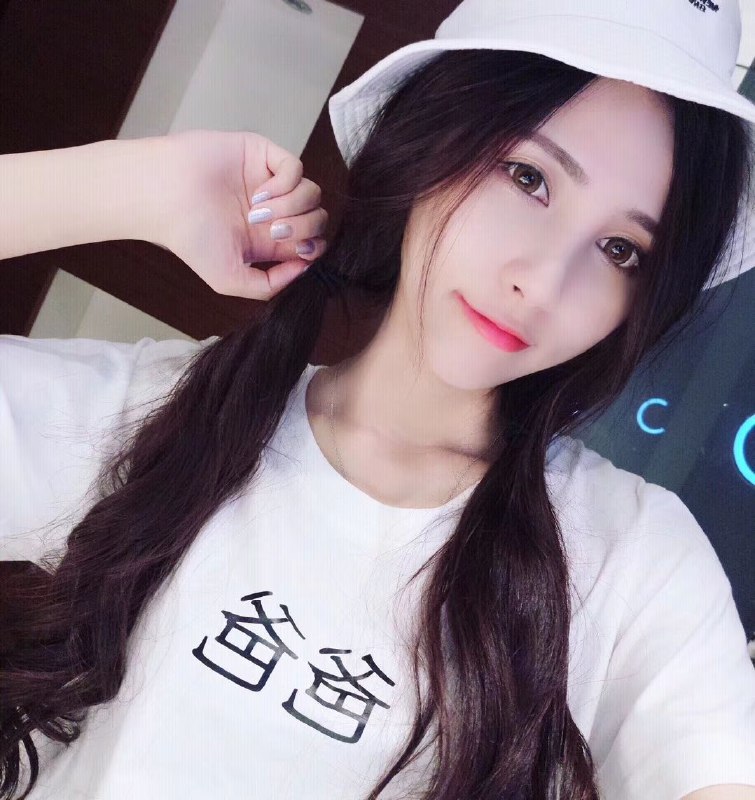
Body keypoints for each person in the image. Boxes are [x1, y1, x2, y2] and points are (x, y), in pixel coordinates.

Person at [1, 0, 754, 798]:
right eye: (527, 177)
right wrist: (127, 185)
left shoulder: (630, 561)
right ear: (433, 139)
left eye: (619, 249)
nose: (540, 283)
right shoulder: (144, 418)